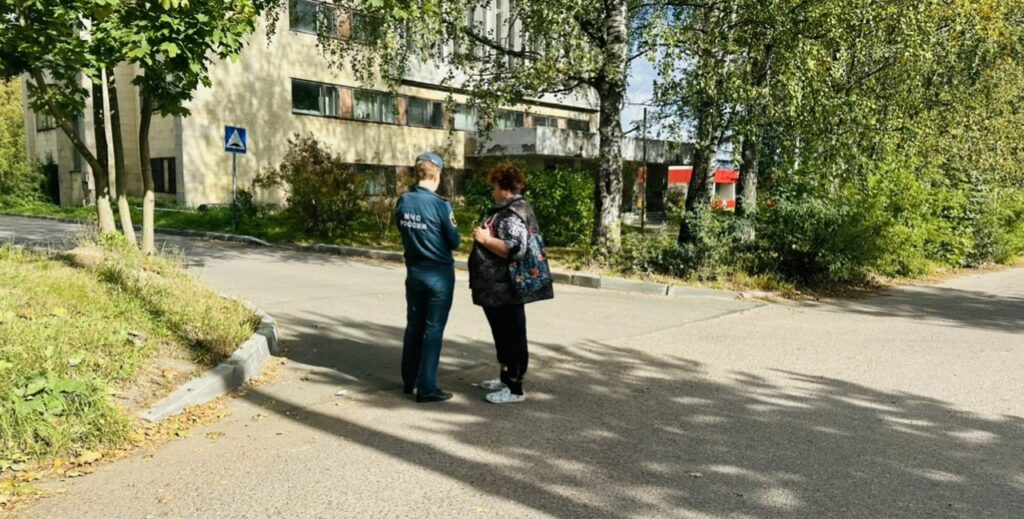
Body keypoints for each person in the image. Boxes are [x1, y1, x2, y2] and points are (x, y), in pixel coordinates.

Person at [469, 162, 554, 404]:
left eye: (494, 186)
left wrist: (485, 239)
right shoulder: (509, 209)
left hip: (505, 287)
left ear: (503, 187)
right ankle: (505, 378)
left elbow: (515, 249)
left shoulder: (512, 212)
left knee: (511, 336)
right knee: (503, 334)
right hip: (498, 287)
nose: (492, 191)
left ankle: (514, 388)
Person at [395, 152, 461, 403]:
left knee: (414, 325)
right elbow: (454, 241)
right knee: (433, 330)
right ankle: (427, 387)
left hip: (414, 272)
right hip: (439, 275)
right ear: (437, 175)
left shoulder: (404, 200)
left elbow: (401, 228)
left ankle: (408, 380)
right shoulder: (441, 205)